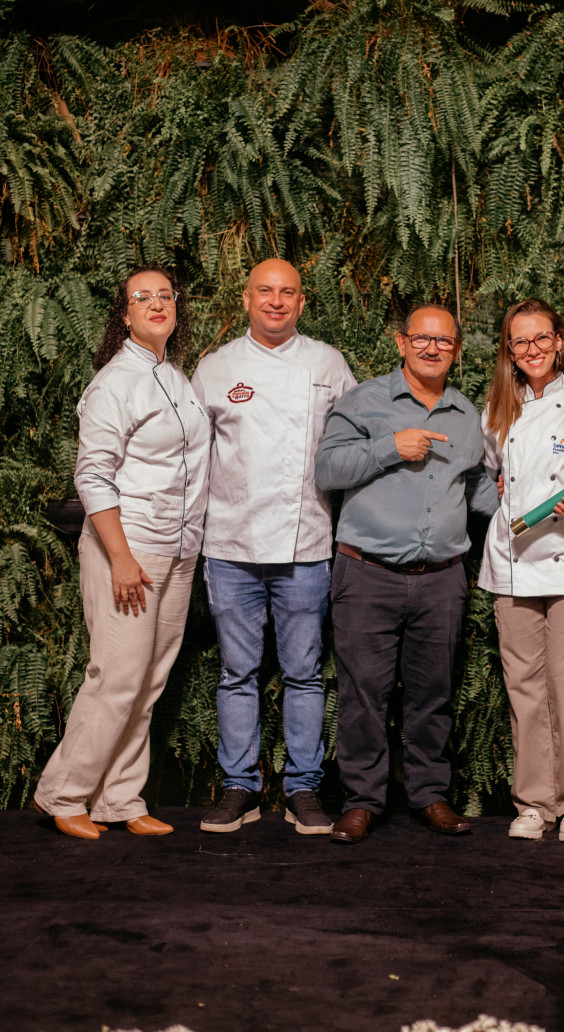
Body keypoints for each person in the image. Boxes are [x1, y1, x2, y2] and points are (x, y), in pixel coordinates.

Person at [34, 267, 210, 840]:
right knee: (116, 677)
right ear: (125, 314)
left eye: (165, 296)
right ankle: (63, 794)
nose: (157, 304)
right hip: (129, 549)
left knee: (149, 680)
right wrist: (121, 557)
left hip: (178, 550)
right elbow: (92, 475)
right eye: (143, 297)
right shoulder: (115, 382)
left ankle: (119, 798)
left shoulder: (176, 377)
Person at [314, 304, 499, 844]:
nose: (432, 348)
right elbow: (327, 469)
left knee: (432, 694)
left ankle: (430, 796)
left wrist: (525, 506)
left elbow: (473, 487)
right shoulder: (363, 400)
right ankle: (362, 800)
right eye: (422, 338)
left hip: (441, 578)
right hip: (367, 574)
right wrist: (388, 448)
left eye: (443, 341)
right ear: (402, 343)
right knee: (363, 696)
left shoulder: (465, 414)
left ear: (456, 349)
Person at [192, 259, 356, 835]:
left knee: (304, 674)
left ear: (302, 302)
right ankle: (240, 786)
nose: (276, 301)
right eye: (265, 290)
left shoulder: (329, 363)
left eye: (288, 292)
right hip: (230, 544)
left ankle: (303, 788)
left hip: (306, 544)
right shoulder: (214, 368)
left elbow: (351, 446)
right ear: (246, 299)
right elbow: (191, 457)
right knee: (237, 673)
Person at [480, 299, 564, 843]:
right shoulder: (496, 409)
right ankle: (534, 803)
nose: (531, 349)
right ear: (509, 351)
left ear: (559, 342)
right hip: (512, 564)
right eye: (520, 341)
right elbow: (487, 477)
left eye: (541, 338)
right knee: (525, 691)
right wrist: (499, 491)